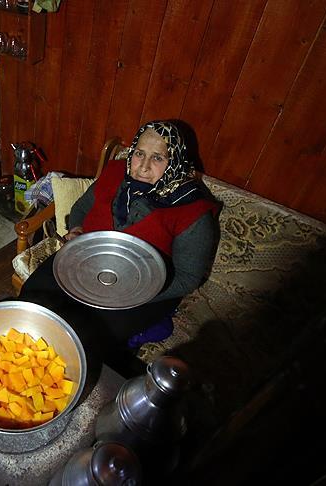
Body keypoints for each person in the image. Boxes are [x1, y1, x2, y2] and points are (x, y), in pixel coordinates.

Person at [19, 120, 221, 375]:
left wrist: (138, 293)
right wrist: (77, 229)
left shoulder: (192, 211)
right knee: (34, 293)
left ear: (175, 161)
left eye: (158, 158)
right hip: (88, 260)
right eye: (139, 154)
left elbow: (188, 277)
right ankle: (24, 359)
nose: (143, 166)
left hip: (147, 288)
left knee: (90, 334)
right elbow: (81, 208)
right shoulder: (115, 173)